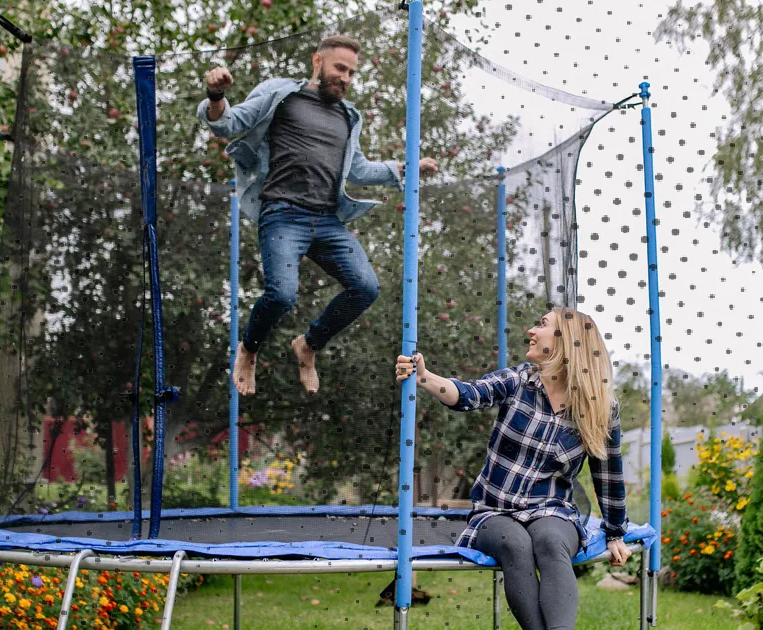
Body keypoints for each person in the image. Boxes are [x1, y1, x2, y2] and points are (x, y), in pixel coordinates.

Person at [199, 34, 437, 396]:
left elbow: (358, 169)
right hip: (282, 214)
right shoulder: (283, 95)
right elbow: (226, 124)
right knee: (281, 295)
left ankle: (308, 345)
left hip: (326, 220)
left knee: (366, 287)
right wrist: (216, 96)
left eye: (352, 73)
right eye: (339, 67)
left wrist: (407, 169)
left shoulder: (347, 117)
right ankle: (248, 350)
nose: (345, 77)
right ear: (317, 62)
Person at [395, 307, 630, 630]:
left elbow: (609, 475)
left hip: (552, 510)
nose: (531, 331)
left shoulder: (600, 406)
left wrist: (616, 532)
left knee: (549, 541)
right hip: (494, 511)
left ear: (566, 340)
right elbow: (467, 394)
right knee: (515, 544)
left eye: (542, 325)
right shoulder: (518, 380)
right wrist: (425, 377)